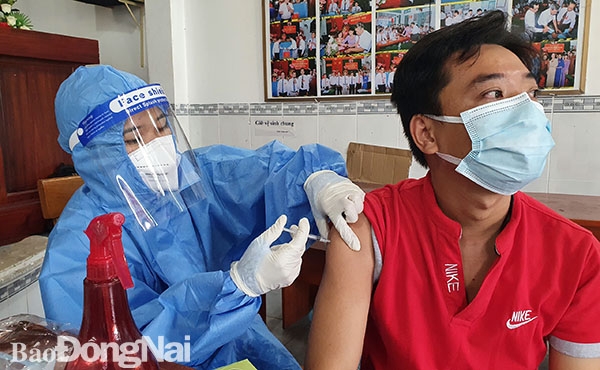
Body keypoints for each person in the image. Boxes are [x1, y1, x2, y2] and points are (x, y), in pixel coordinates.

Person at [305, 10, 600, 370]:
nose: (527, 114)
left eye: (530, 94)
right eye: (494, 94)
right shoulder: (370, 228)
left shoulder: (576, 252)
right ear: (427, 133)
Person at [39, 65, 366, 370]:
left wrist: (316, 179)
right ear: (95, 152)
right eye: (132, 136)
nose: (158, 144)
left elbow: (261, 171)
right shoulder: (77, 248)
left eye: (162, 125)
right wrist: (237, 285)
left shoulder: (194, 176)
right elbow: (124, 350)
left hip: (240, 337)